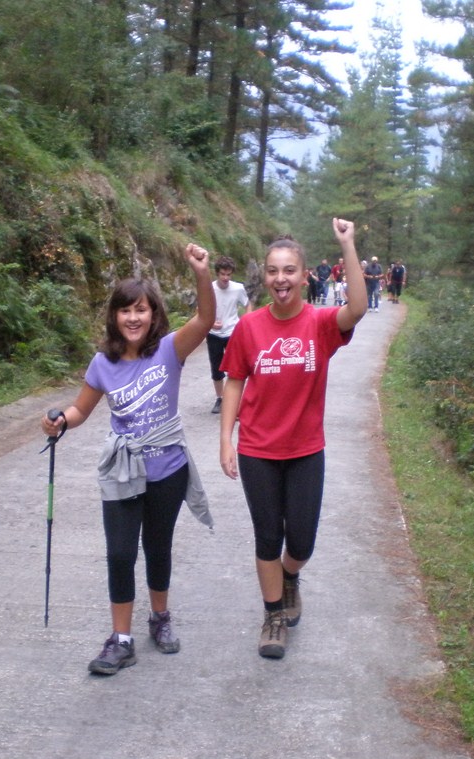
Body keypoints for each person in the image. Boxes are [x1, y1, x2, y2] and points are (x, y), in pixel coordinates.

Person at [41, 244, 216, 676]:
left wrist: (201, 273)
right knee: (120, 554)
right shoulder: (103, 363)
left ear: (154, 315)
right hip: (123, 469)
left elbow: (206, 319)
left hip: (167, 469)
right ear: (114, 316)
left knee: (158, 548)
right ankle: (121, 640)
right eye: (125, 311)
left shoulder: (170, 350)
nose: (133, 318)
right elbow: (81, 410)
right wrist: (61, 421)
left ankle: (160, 617)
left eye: (141, 310)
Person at [218, 219, 367, 659]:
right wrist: (226, 438)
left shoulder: (320, 323)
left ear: (304, 276)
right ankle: (273, 617)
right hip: (257, 450)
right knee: (267, 536)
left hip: (305, 450)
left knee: (300, 543)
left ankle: (289, 576)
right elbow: (234, 381)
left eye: (289, 270)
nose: (280, 279)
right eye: (272, 271)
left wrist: (347, 244)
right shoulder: (249, 327)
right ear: (264, 277)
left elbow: (357, 308)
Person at [206, 256, 253, 414]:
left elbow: (247, 304)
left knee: (236, 367)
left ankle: (236, 400)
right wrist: (211, 323)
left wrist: (245, 322)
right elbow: (201, 310)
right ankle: (220, 399)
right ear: (217, 273)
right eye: (222, 274)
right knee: (216, 368)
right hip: (214, 333)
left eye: (228, 274)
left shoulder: (238, 288)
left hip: (233, 332)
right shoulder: (209, 288)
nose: (225, 278)